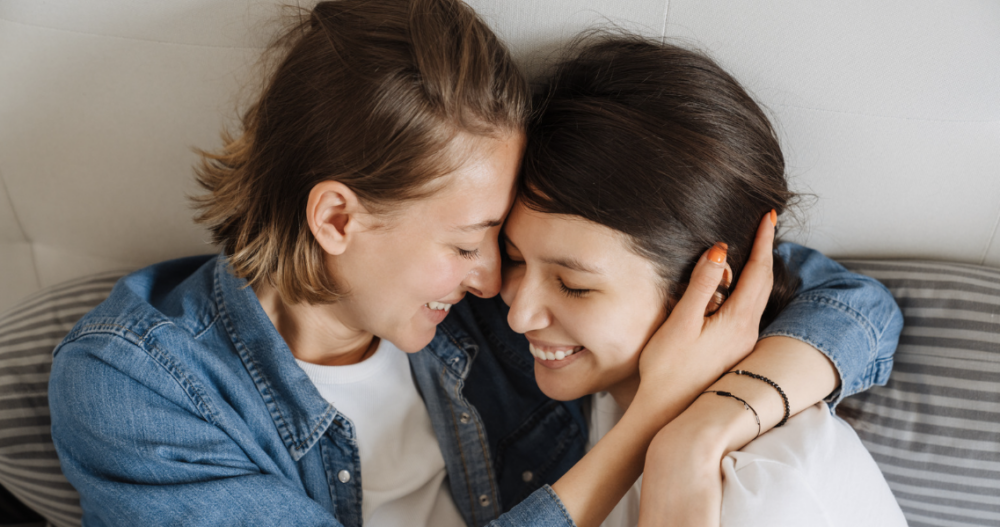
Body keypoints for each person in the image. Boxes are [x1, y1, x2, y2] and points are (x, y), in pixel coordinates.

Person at [47, 2, 901, 526]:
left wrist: (702, 430)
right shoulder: (139, 386)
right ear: (338, 217)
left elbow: (836, 297)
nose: (497, 285)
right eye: (465, 243)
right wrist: (647, 435)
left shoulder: (491, 301)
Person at [501, 34, 907, 526]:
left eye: (573, 285)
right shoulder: (605, 390)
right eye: (513, 258)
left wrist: (689, 447)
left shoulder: (772, 489)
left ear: (707, 294)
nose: (517, 313)